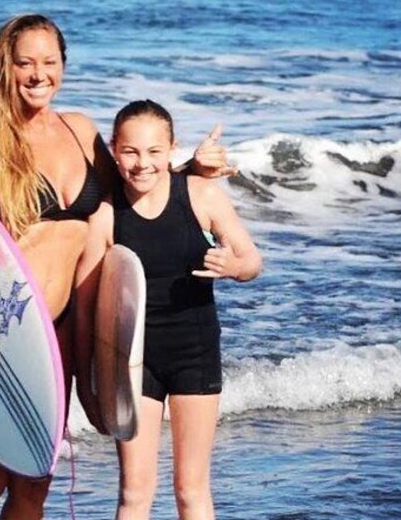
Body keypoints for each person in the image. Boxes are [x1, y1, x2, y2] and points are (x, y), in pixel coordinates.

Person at [0, 14, 234, 520]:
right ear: (4, 66)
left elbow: (132, 193)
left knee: (35, 483)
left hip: (57, 336)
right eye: (26, 63)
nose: (39, 74)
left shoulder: (79, 132)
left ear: (63, 67)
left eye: (49, 62)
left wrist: (188, 172)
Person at [74, 100, 262, 520]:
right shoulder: (106, 215)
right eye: (131, 151)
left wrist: (233, 266)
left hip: (194, 353)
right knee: (134, 494)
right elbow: (85, 310)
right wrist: (87, 386)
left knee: (190, 490)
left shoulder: (199, 195)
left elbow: (252, 259)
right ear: (113, 149)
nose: (143, 163)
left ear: (172, 149)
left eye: (154, 151)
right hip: (130, 362)